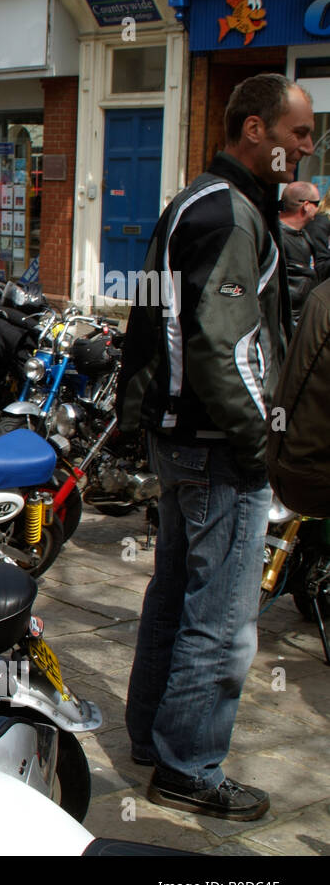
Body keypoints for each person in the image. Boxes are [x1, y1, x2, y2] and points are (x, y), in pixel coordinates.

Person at [116, 74, 312, 821]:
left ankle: (151, 738)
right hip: (217, 444)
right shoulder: (231, 213)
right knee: (223, 622)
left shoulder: (195, 200)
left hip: (179, 436)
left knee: (173, 595)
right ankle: (188, 766)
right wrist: (262, 444)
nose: (305, 150)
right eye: (297, 134)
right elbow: (222, 349)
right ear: (254, 129)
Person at [278, 181, 321, 324]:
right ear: (306, 206)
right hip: (284, 320)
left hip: (301, 317)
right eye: (317, 203)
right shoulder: (275, 237)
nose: (319, 208)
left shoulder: (304, 235)